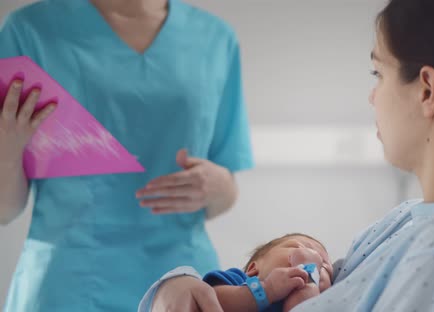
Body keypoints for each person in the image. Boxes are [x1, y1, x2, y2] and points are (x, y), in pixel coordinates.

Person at [145, 0, 434, 311]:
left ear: (428, 90)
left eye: (379, 73)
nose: (372, 95)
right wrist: (182, 286)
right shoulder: (412, 223)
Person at [0, 0, 253, 311]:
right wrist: (6, 153)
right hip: (68, 284)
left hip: (183, 286)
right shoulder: (28, 32)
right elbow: (4, 210)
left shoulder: (216, 39)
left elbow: (225, 192)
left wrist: (220, 186)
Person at [139, 233, 333, 312]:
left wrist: (308, 281)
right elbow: (211, 300)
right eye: (298, 247)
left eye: (323, 267)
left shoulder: (315, 303)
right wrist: (265, 290)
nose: (312, 259)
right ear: (253, 269)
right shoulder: (237, 280)